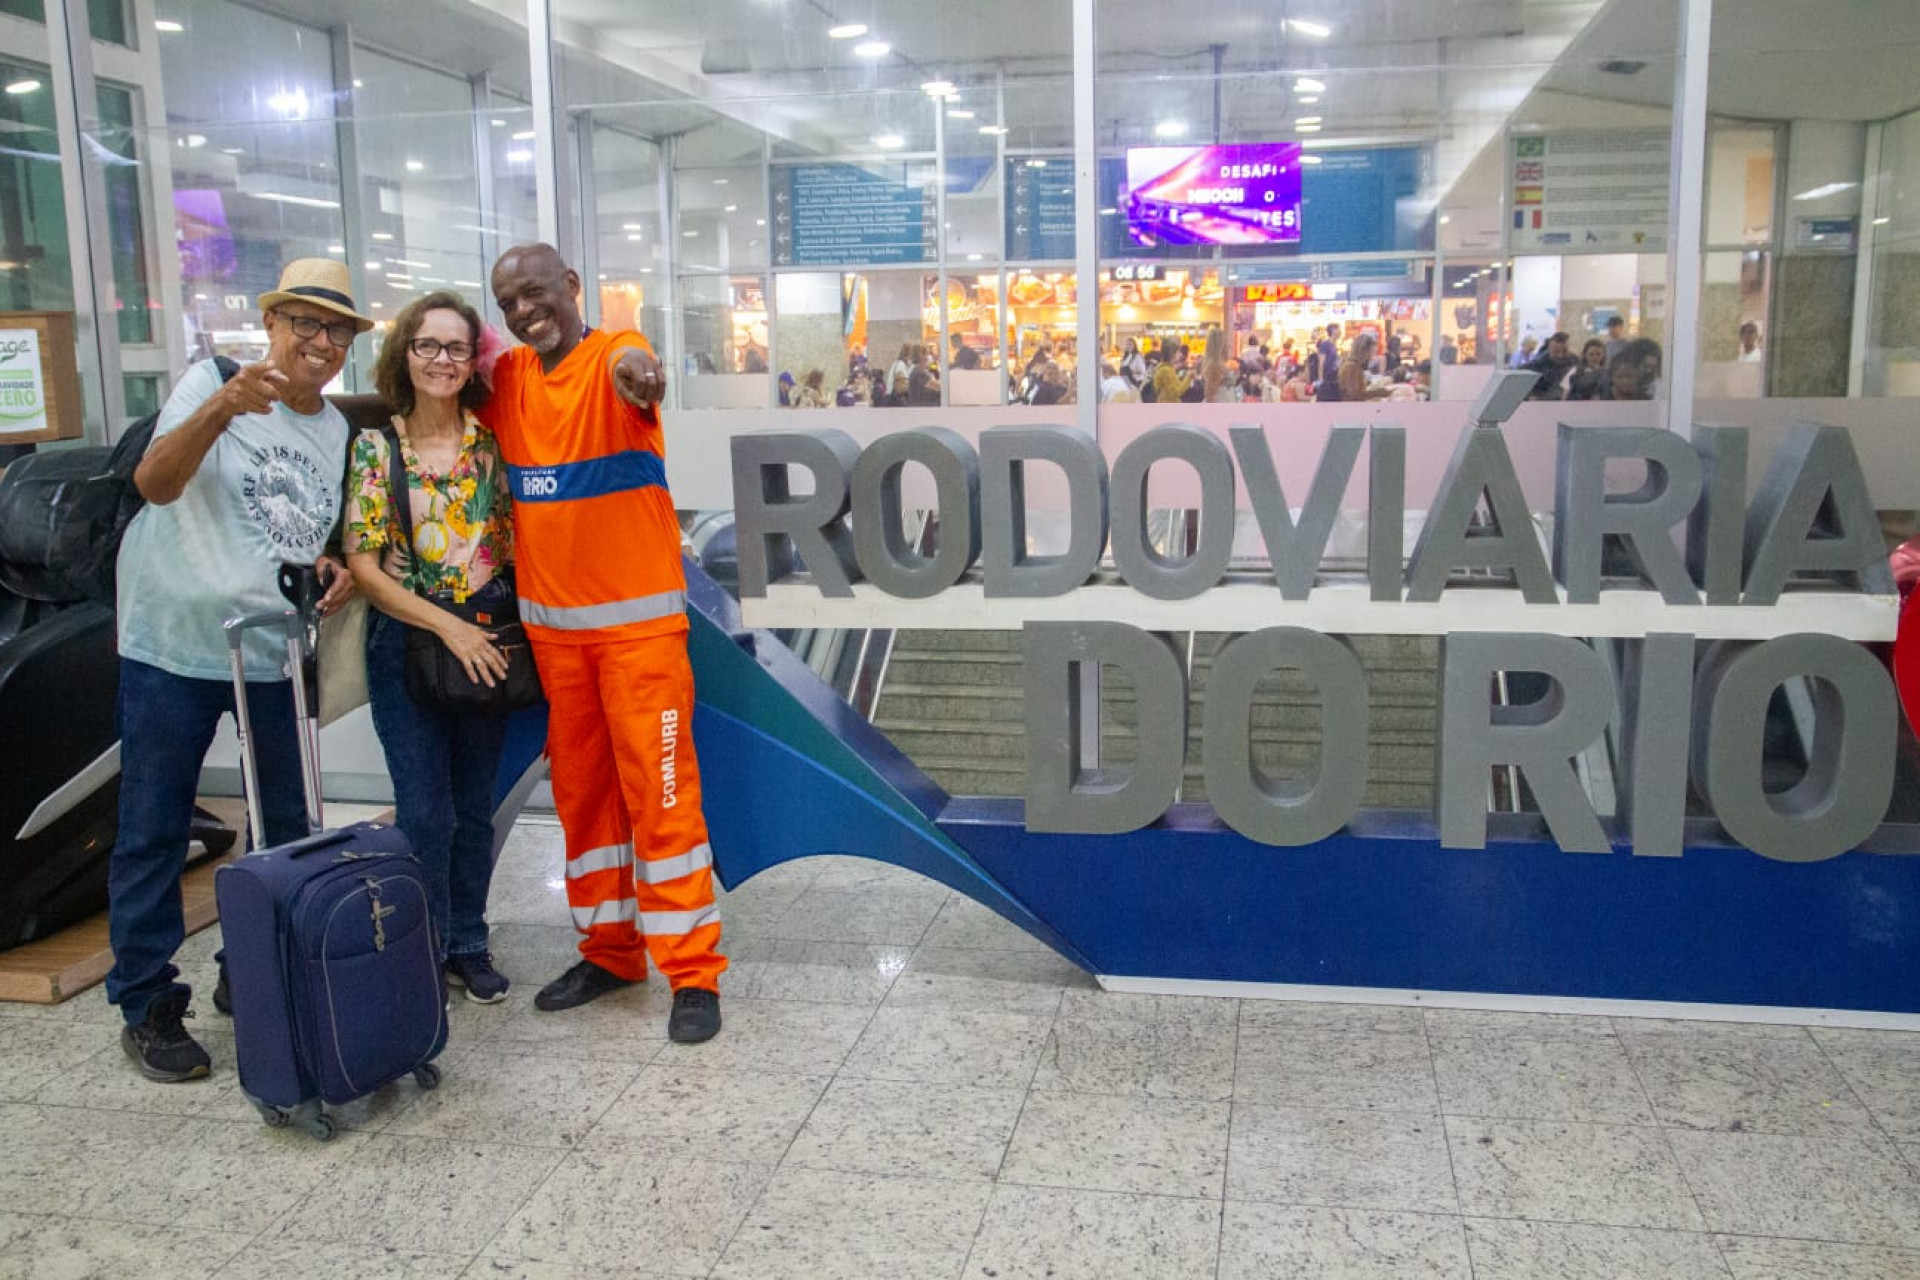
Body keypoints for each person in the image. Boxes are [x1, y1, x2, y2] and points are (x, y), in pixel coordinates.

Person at [107, 258, 366, 1081]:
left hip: (270, 655)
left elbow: (296, 527)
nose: (320, 343)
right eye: (305, 324)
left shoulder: (336, 431)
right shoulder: (212, 383)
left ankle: (249, 971)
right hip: (173, 647)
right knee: (154, 827)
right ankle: (146, 1000)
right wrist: (221, 409)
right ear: (273, 325)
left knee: (286, 829)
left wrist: (331, 565)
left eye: (336, 331)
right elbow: (155, 482)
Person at [485, 243, 724, 1044]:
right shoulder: (511, 380)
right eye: (507, 300)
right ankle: (611, 952)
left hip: (639, 639)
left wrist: (643, 377)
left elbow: (637, 365)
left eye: (535, 292)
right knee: (584, 806)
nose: (523, 310)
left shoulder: (617, 357)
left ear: (572, 288)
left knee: (660, 800)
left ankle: (691, 971)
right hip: (557, 644)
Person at [343, 291, 515, 1005]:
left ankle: (468, 942)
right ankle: (423, 945)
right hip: (411, 645)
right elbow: (363, 565)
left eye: (456, 348)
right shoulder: (377, 447)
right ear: (404, 356)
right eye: (428, 346)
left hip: (492, 641)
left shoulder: (494, 444)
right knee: (424, 811)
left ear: (474, 360)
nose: (443, 361)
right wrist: (449, 626)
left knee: (475, 807)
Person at [1602, 337, 1663, 402]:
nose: (1649, 371)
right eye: (1646, 366)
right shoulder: (1605, 390)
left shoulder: (1655, 387)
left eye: (1653, 367)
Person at [1524, 331, 1578, 400]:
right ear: (1549, 349)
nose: (1560, 355)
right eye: (1556, 351)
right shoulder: (1538, 366)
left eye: (1564, 351)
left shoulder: (1575, 362)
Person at [1150, 337, 1192, 405]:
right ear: (1172, 354)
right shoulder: (1166, 371)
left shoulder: (1165, 368)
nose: (1180, 354)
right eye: (1178, 352)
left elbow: (1176, 387)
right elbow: (1176, 392)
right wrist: (1189, 378)